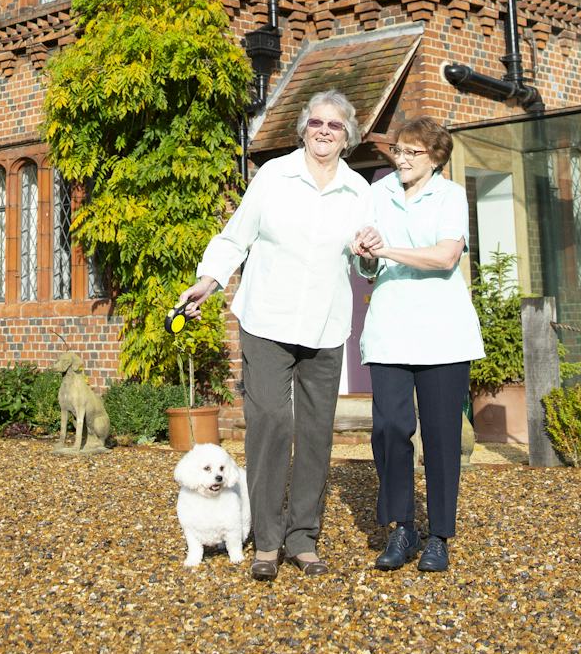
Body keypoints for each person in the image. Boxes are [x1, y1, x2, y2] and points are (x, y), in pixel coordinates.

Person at [176, 89, 372, 580]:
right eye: (316, 123)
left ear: (347, 136)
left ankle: (302, 537)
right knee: (268, 426)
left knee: (314, 434)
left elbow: (366, 264)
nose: (324, 131)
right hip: (266, 321)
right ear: (303, 128)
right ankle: (265, 541)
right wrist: (209, 281)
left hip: (325, 327)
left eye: (334, 126)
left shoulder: (358, 191)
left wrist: (370, 255)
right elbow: (236, 236)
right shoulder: (273, 177)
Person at [351, 116, 482, 573]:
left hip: (443, 334)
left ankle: (439, 536)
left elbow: (445, 257)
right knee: (389, 429)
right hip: (389, 329)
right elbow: (366, 269)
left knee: (443, 437)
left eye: (412, 153)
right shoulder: (377, 193)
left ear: (436, 157)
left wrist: (385, 250)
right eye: (398, 152)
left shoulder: (450, 196)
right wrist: (366, 256)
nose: (401, 160)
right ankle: (402, 527)